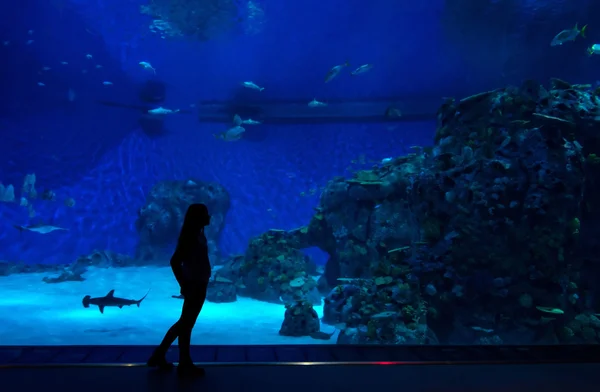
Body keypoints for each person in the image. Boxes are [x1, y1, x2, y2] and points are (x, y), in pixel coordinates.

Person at [147, 203, 212, 377]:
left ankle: (164, 356)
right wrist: (184, 284)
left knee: (185, 323)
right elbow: (175, 261)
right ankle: (181, 362)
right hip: (194, 284)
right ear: (198, 217)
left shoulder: (198, 233)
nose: (209, 216)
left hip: (199, 282)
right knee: (185, 324)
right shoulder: (190, 236)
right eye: (205, 213)